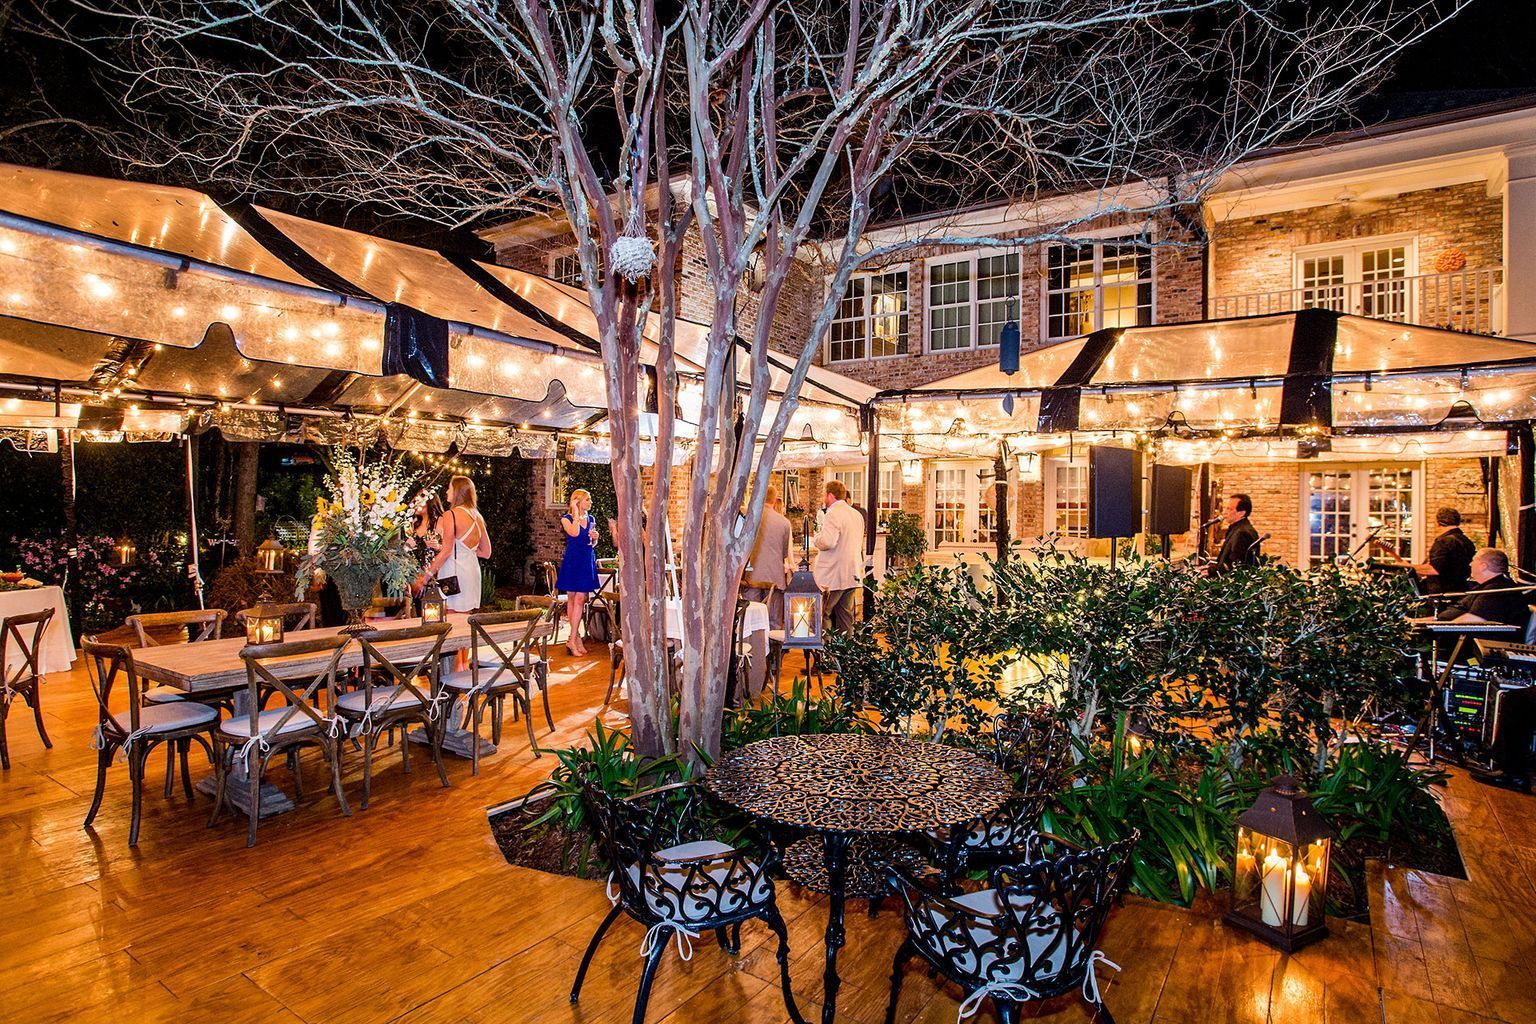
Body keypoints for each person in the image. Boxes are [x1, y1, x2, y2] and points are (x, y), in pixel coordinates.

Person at [416, 475, 490, 615]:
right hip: (471, 573)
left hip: (454, 575)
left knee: (451, 619)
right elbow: (486, 552)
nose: (446, 492)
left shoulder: (451, 515)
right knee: (465, 619)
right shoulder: (477, 516)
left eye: (449, 489)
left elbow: (446, 552)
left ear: (457, 492)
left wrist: (426, 577)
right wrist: (463, 551)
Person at [812, 479, 864, 635]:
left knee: (823, 613)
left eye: (824, 495)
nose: (823, 498)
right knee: (845, 615)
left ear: (830, 495)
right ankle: (845, 653)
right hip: (852, 572)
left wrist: (816, 538)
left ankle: (827, 652)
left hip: (833, 575)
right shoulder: (856, 514)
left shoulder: (833, 513)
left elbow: (828, 542)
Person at [556, 488, 601, 657]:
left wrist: (595, 538)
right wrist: (575, 512)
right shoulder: (566, 519)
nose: (590, 503)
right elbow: (574, 533)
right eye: (587, 500)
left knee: (581, 599)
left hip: (586, 558)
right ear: (577, 501)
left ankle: (573, 638)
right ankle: (575, 638)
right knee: (572, 599)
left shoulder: (591, 519)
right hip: (573, 560)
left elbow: (591, 542)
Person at [743, 485, 793, 630]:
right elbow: (784, 553)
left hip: (751, 576)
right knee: (773, 621)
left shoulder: (747, 517)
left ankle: (752, 650)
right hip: (774, 577)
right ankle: (773, 651)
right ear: (774, 500)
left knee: (749, 620)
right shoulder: (784, 523)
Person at [1410, 507, 1476, 595]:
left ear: (1438, 522)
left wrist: (1409, 568)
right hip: (1461, 589)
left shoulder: (1443, 542)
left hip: (1442, 593)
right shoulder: (1466, 541)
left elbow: (1434, 569)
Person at [1213, 493, 1260, 572]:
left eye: (1230, 509)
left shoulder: (1243, 533)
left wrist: (1210, 571)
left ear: (1241, 513)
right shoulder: (1236, 529)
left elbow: (1236, 565)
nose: (1225, 512)